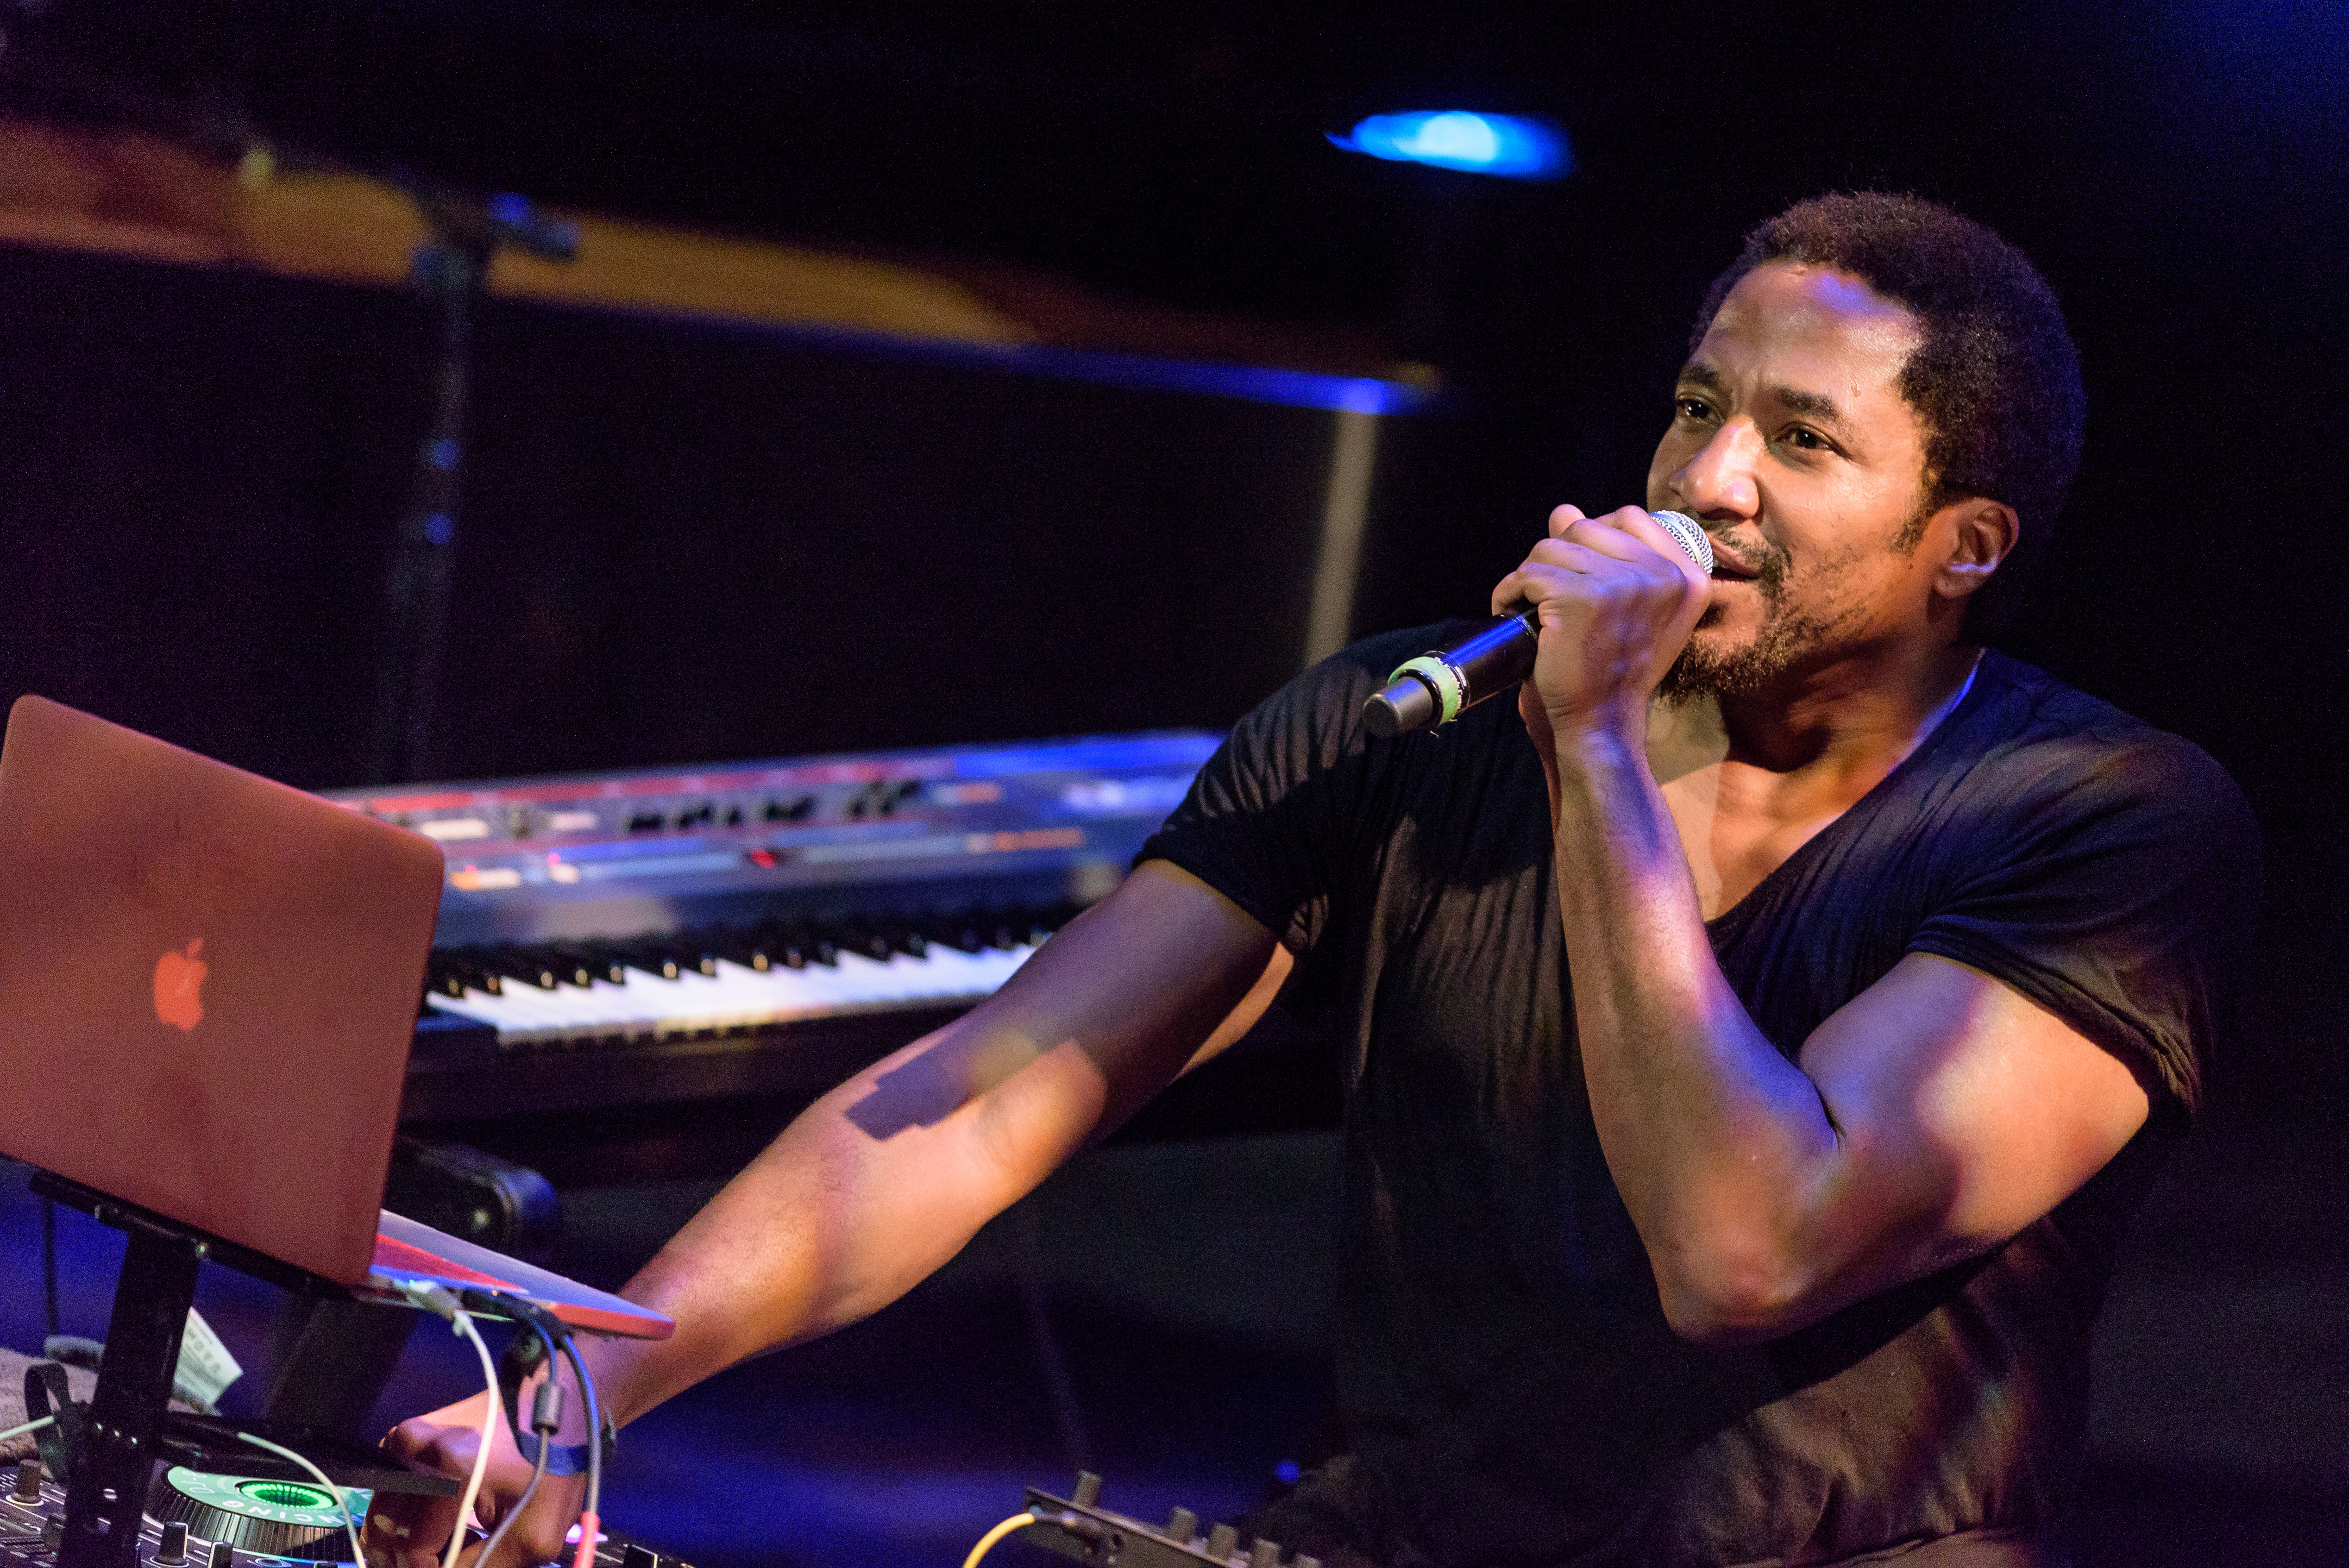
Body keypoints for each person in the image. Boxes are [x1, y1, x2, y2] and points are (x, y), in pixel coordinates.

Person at [367, 193, 2258, 1567]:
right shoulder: (1407, 723)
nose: (1709, 479)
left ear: (1961, 546)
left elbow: (1748, 1244)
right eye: (1696, 406)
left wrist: (1589, 752)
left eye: (1799, 437)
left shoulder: (2103, 823)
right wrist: (584, 1381)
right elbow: (967, 1106)